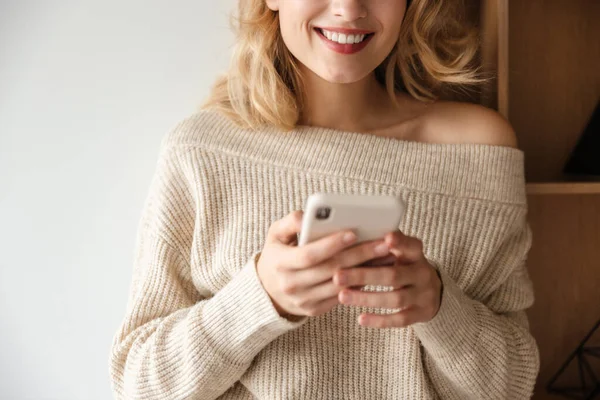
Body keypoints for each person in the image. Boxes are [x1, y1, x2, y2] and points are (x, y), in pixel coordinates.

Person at [108, 0, 540, 399]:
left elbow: (511, 387)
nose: (348, 10)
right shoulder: (201, 151)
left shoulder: (479, 151)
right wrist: (260, 298)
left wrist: (442, 308)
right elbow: (140, 385)